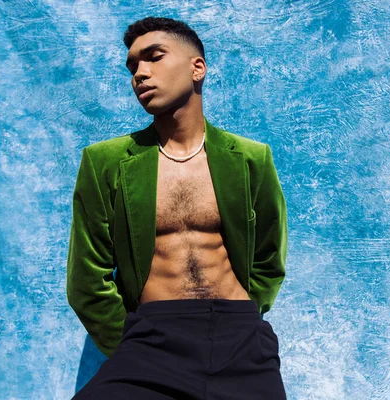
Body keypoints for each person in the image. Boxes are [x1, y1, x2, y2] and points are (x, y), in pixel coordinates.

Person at [66, 16, 288, 399]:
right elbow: (86, 280)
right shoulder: (104, 162)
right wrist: (130, 342)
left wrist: (248, 317)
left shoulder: (251, 159)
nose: (140, 73)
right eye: (133, 66)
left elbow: (270, 257)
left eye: (154, 57)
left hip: (241, 337)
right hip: (153, 337)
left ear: (196, 67)